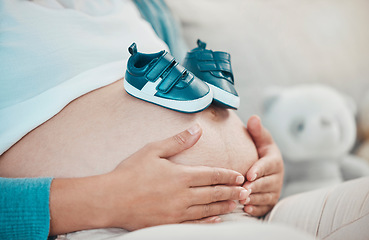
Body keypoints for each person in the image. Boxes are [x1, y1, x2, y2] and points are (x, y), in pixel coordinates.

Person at [0, 1, 283, 239]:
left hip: (252, 209)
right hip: (108, 225)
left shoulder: (145, 6)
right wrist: (108, 200)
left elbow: (193, 91)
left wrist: (264, 165)